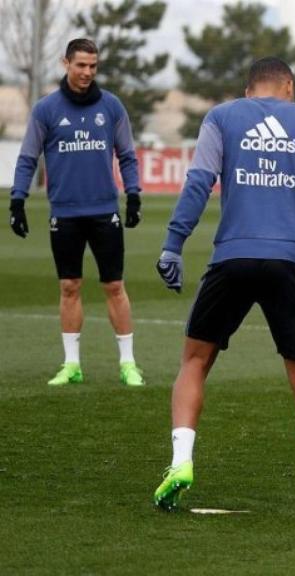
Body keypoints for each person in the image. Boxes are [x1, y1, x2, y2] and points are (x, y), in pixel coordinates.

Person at [151, 57, 295, 516]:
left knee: (194, 361)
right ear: (288, 86)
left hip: (231, 255)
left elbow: (198, 183)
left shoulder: (221, 117)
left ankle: (181, 464)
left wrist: (173, 245)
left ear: (248, 89)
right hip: (288, 260)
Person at [9, 38, 145, 387]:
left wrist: (133, 195)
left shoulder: (111, 107)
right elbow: (28, 158)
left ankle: (128, 364)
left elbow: (127, 155)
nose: (87, 72)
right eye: (81, 65)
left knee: (114, 285)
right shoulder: (46, 109)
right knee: (69, 285)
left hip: (104, 212)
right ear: (65, 63)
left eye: (93, 66)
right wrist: (18, 200)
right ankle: (72, 365)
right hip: (65, 213)